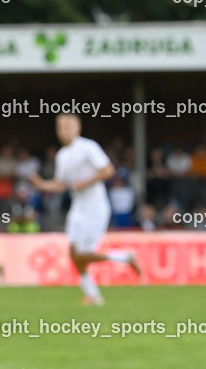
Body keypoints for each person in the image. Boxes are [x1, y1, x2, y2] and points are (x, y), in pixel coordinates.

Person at [30, 114, 140, 305]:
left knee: (83, 255)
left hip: (96, 208)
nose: (64, 130)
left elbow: (108, 170)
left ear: (78, 128)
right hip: (78, 208)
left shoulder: (88, 147)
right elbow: (61, 184)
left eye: (68, 126)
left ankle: (124, 258)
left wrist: (86, 182)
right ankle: (92, 294)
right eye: (60, 127)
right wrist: (42, 184)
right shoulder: (62, 155)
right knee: (74, 255)